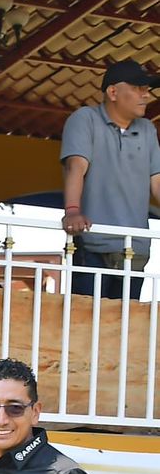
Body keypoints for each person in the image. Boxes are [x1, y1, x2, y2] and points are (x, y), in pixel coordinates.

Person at [62, 59, 160, 301]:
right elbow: (76, 166)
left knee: (123, 321)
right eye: (138, 88)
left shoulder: (147, 129)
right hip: (92, 244)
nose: (146, 95)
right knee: (87, 318)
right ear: (113, 92)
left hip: (134, 249)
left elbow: (157, 182)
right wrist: (72, 212)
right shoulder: (85, 118)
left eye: (147, 89)